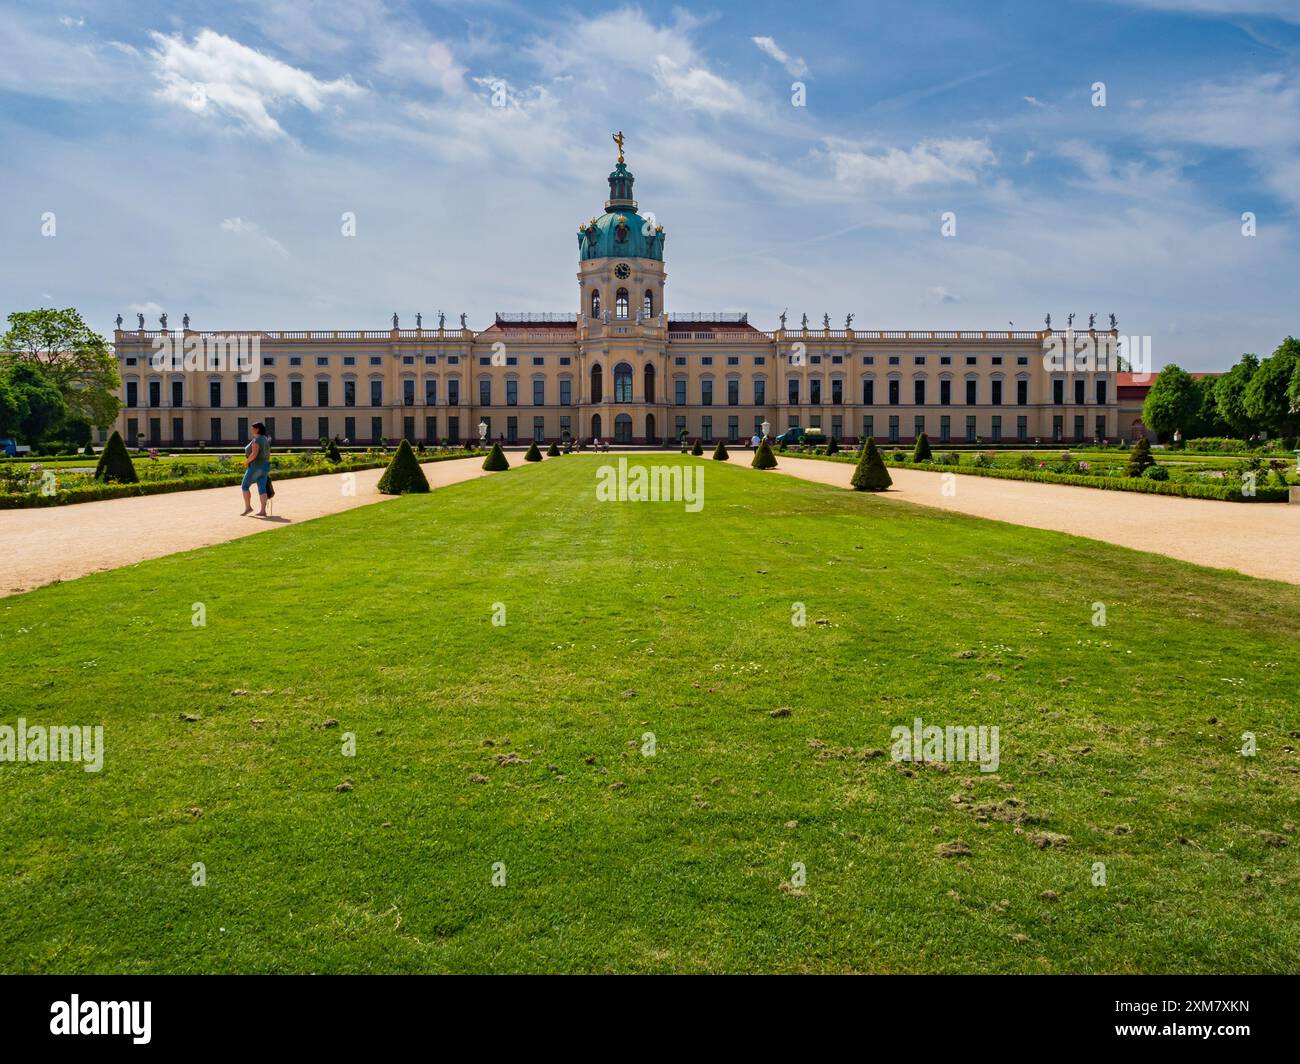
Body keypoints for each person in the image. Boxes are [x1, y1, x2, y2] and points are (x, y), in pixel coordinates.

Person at [241, 422, 272, 516]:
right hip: (265, 467)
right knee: (262, 489)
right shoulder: (265, 440)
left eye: (252, 428)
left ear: (257, 429)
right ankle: (263, 511)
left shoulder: (257, 440)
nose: (251, 430)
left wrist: (246, 462)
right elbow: (268, 454)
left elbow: (254, 454)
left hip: (255, 467)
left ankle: (248, 507)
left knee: (244, 486)